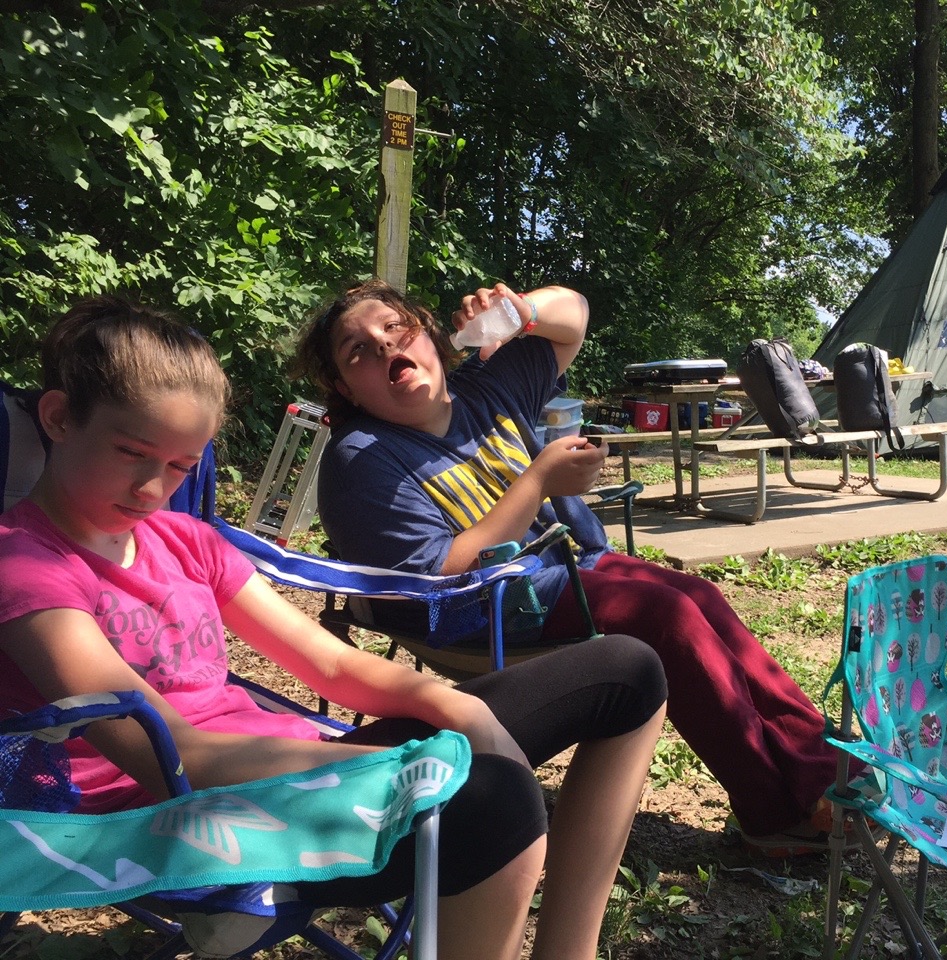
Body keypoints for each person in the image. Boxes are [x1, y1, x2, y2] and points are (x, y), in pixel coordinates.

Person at [0, 296, 668, 960]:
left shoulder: (184, 540)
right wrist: (408, 770)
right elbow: (175, 753)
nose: (153, 488)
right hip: (176, 821)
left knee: (626, 671)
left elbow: (331, 665)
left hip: (286, 775)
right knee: (490, 798)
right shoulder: (25, 565)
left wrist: (458, 710)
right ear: (58, 418)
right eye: (132, 452)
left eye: (180, 465)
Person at [294, 278, 844, 855]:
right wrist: (537, 483)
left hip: (564, 569)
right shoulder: (362, 458)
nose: (384, 345)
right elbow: (438, 577)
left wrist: (522, 311)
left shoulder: (484, 387)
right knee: (665, 616)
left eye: (394, 328)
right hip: (479, 610)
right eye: (357, 351)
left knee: (698, 596)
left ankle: (826, 770)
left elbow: (574, 317)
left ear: (431, 333)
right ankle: (772, 811)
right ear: (345, 389)